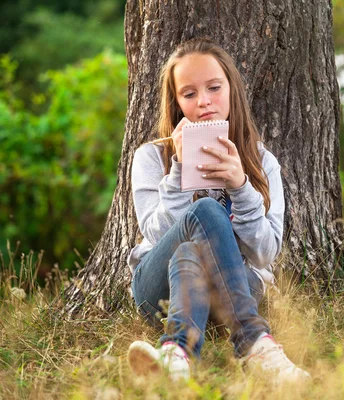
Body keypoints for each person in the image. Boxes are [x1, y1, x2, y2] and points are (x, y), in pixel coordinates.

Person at [126, 37, 310, 384]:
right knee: (204, 214)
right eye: (189, 93)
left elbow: (265, 252)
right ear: (177, 102)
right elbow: (154, 234)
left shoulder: (262, 161)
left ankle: (176, 356)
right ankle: (255, 342)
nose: (204, 102)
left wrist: (241, 186)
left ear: (231, 90)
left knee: (189, 253)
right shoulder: (151, 157)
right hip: (158, 290)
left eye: (213, 87)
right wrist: (179, 168)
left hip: (237, 288)